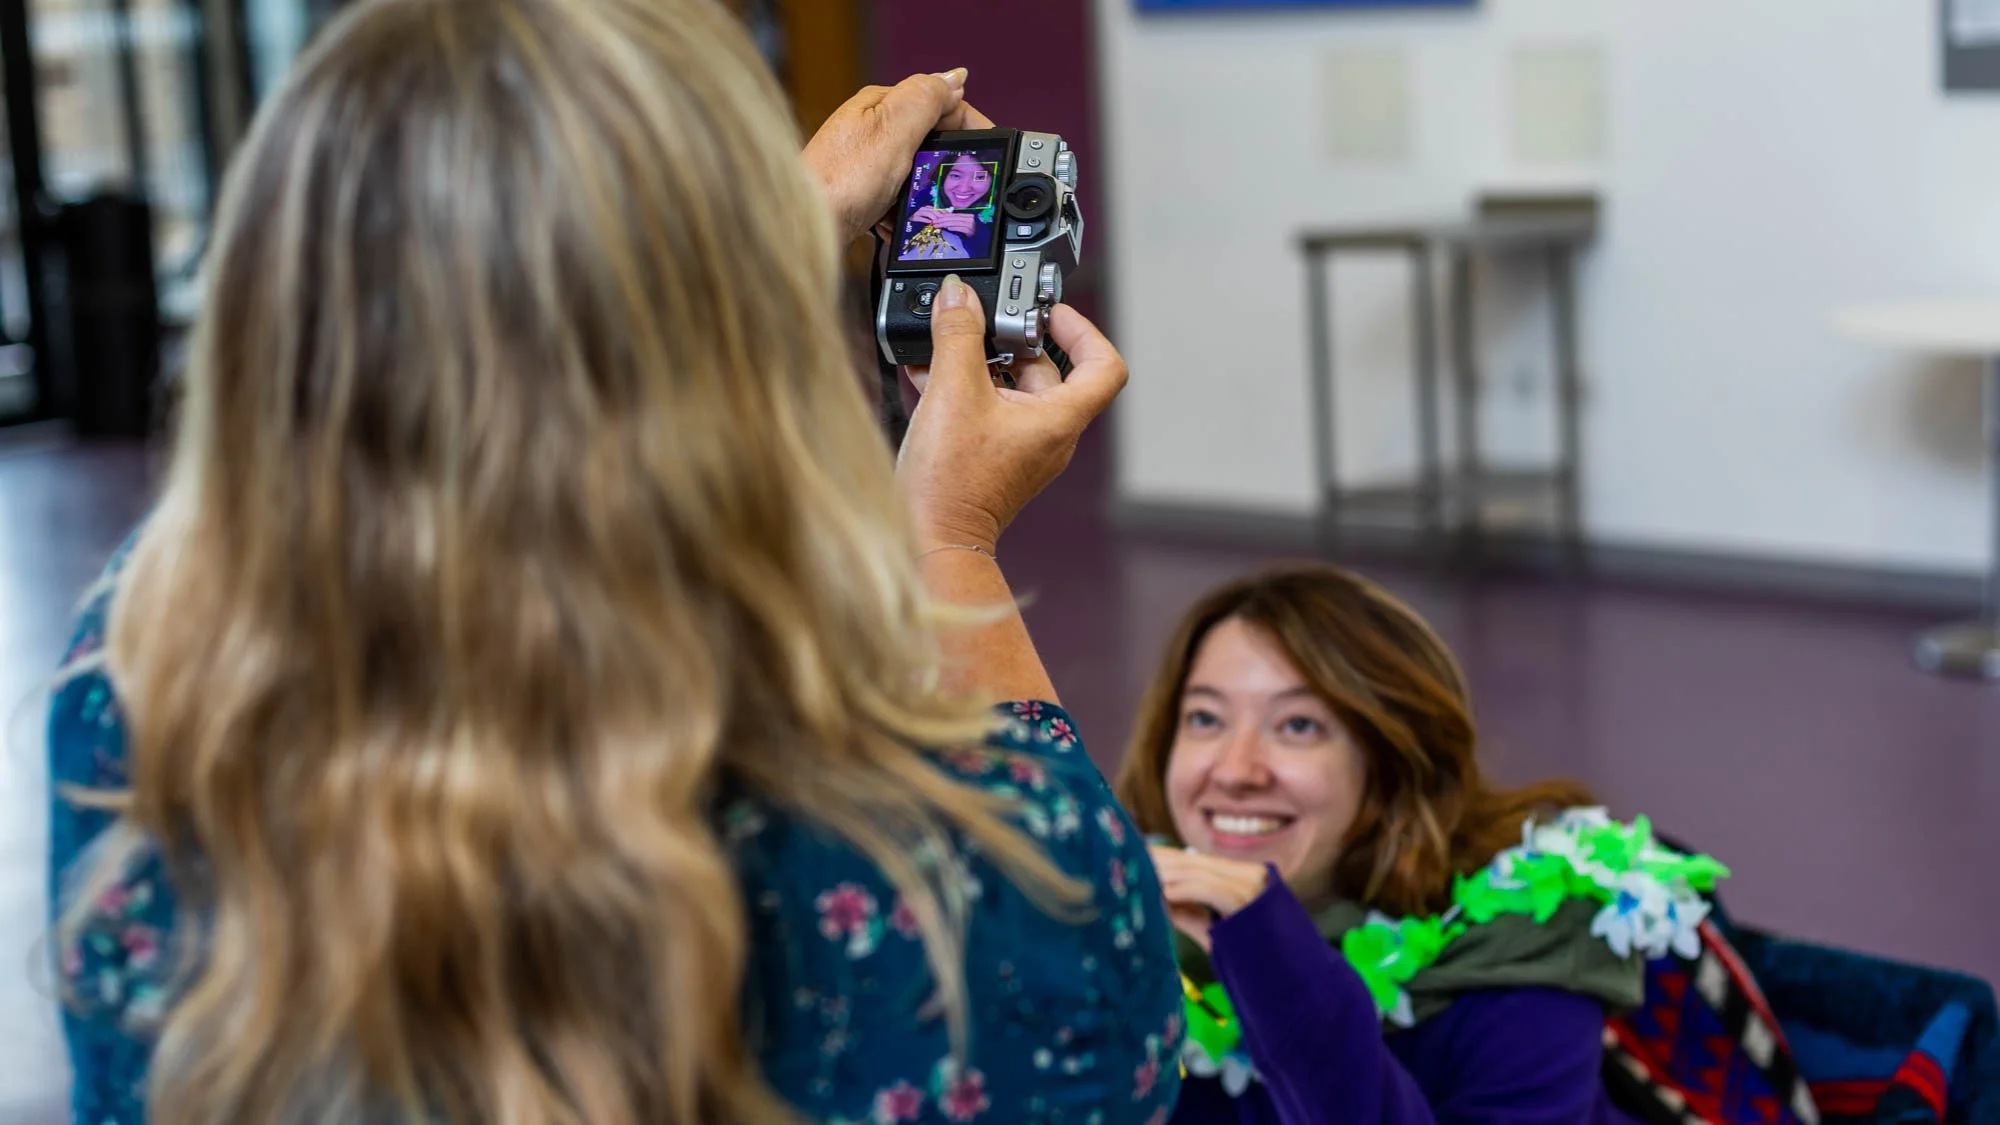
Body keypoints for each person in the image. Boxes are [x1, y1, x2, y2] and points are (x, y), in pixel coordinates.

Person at [45, 1, 1182, 1122]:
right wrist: (949, 545)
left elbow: (427, 444)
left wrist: (765, 230)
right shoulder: (983, 883)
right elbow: (1100, 1009)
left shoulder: (144, 682)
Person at [1114, 566, 1727, 1125]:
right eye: (1204, 718)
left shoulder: (1529, 954)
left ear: (1394, 764)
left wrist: (1272, 960)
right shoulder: (1136, 935)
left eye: (1298, 726)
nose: (1235, 770)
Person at [900, 151, 995, 260]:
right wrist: (911, 224)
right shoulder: (923, 198)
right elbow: (899, 251)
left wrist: (978, 233)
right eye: (956, 176)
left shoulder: (1002, 210)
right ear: (944, 176)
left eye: (979, 177)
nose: (963, 188)